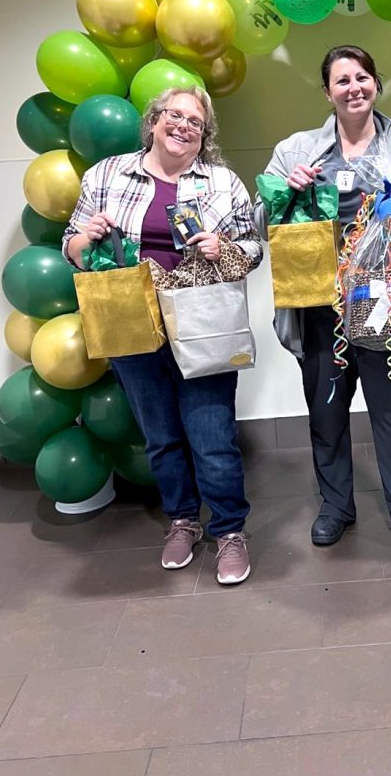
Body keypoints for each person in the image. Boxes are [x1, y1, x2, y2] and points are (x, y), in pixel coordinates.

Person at [255, 45, 391, 574]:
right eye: (342, 80)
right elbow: (258, 221)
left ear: (376, 84)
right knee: (328, 412)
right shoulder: (297, 150)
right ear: (327, 92)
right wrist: (282, 192)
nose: (354, 87)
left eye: (363, 77)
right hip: (321, 307)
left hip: (389, 303)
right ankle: (337, 505)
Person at [63, 86, 262, 585]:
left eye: (195, 122)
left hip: (202, 317)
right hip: (129, 317)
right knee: (161, 434)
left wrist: (226, 248)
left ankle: (231, 531)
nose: (183, 126)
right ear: (153, 122)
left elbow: (255, 247)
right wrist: (86, 238)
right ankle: (182, 520)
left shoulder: (222, 182)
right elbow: (72, 246)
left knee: (212, 434)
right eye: (175, 115)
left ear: (204, 136)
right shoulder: (106, 175)